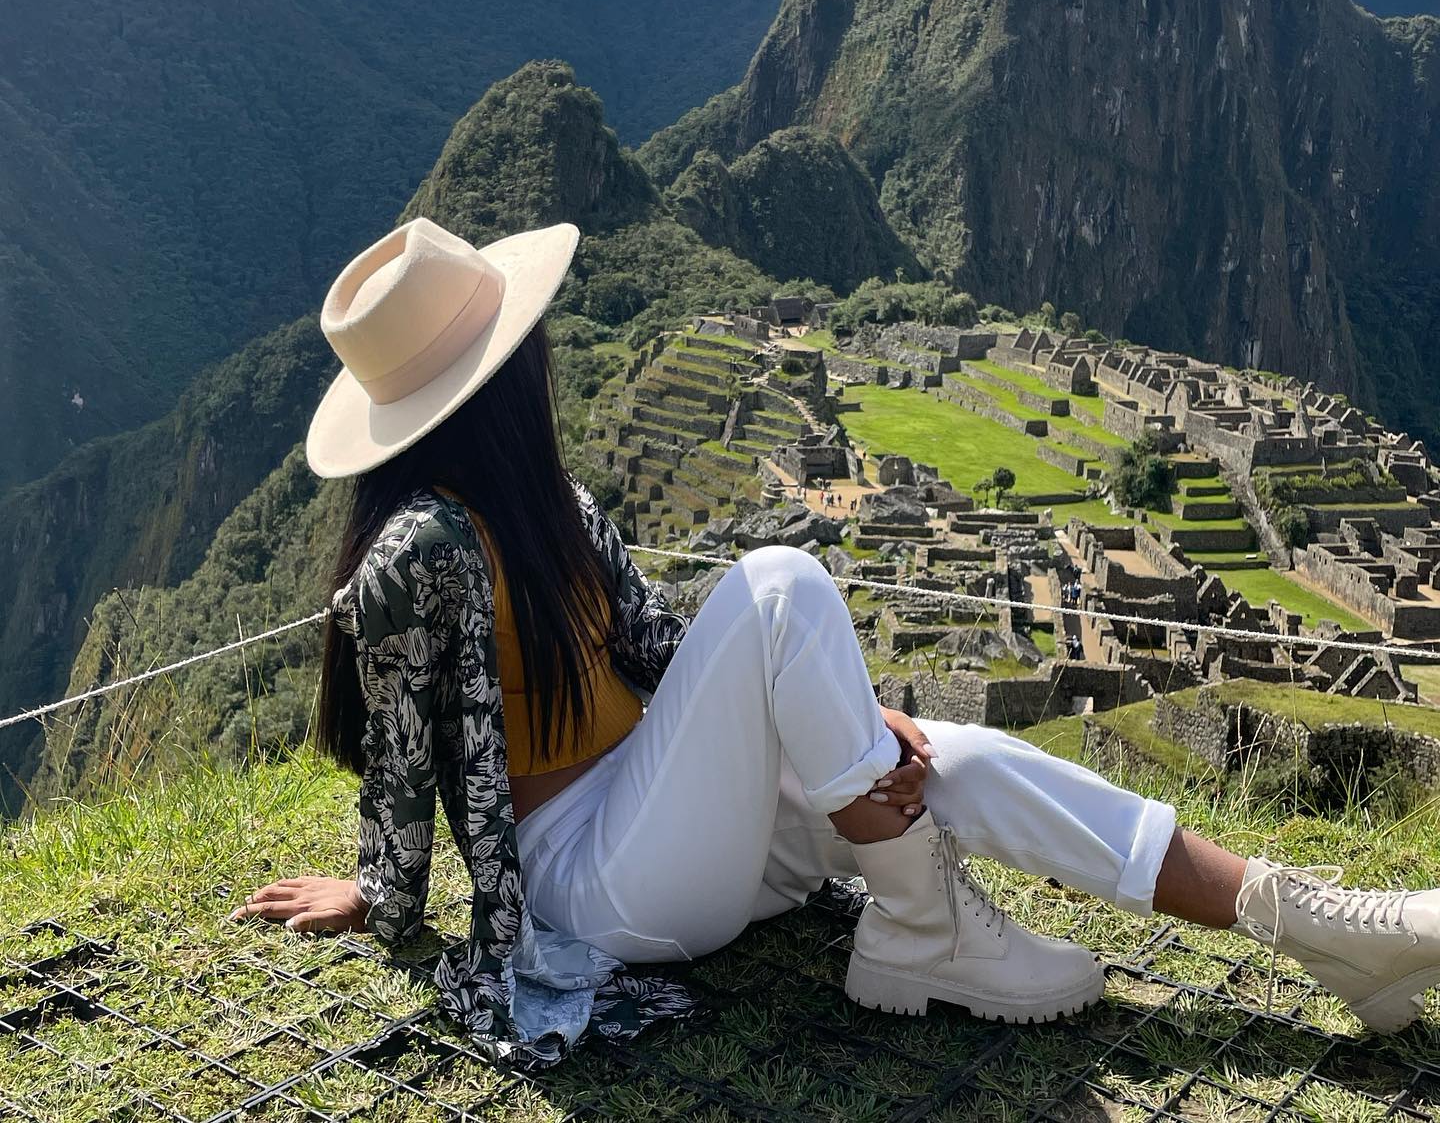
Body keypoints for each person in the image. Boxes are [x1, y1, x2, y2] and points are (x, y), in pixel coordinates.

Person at [233, 218, 1440, 1068]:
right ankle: (923, 930)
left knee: (952, 757)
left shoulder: (555, 506)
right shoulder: (420, 555)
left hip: (695, 833)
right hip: (597, 882)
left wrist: (859, 736)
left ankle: (1322, 928)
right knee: (776, 584)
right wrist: (385, 894)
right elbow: (402, 757)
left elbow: (657, 653)